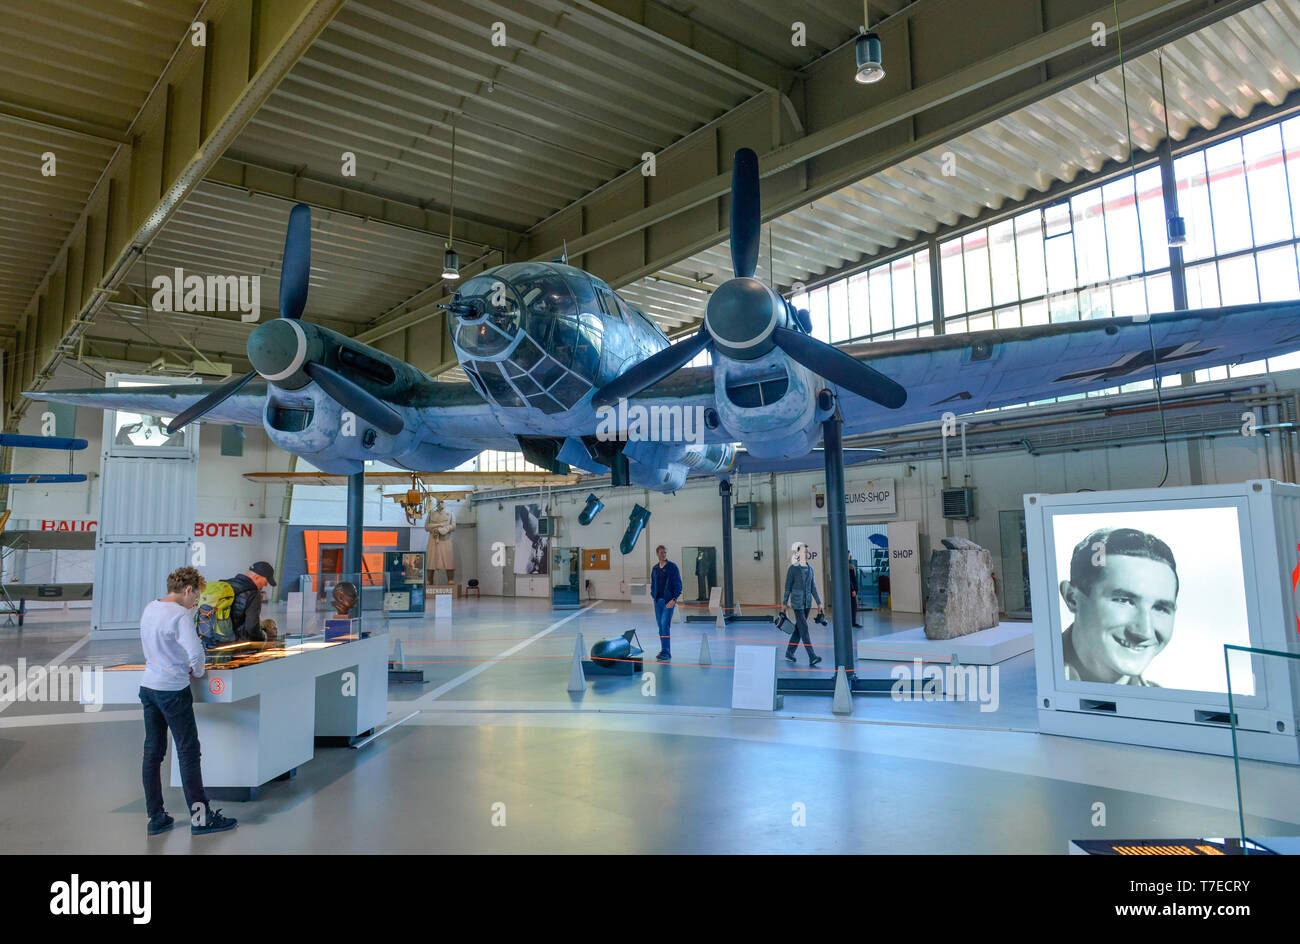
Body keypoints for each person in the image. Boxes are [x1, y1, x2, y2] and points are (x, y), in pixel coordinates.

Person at [139, 566, 237, 837]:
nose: (196, 603)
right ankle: (201, 819)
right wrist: (198, 671)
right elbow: (196, 653)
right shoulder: (180, 615)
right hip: (173, 690)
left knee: (153, 752)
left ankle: (156, 817)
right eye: (196, 596)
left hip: (148, 687)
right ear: (186, 590)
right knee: (188, 752)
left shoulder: (151, 607)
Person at [1058, 527, 1178, 686]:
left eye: (1161, 608)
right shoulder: (1032, 679)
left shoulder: (1162, 700)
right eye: (1124, 600)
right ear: (1072, 598)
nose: (1144, 632)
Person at [782, 543, 824, 666]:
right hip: (797, 603)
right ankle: (812, 657)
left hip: (807, 603)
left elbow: (813, 587)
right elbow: (787, 587)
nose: (806, 554)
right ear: (798, 553)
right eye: (804, 552)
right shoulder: (793, 568)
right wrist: (784, 603)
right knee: (804, 629)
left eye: (807, 552)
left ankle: (789, 653)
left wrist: (819, 602)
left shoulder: (810, 569)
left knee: (799, 629)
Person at [228, 561, 277, 642]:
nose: (265, 585)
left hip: (213, 638)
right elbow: (252, 627)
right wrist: (263, 637)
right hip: (237, 642)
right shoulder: (253, 593)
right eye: (265, 582)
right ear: (257, 577)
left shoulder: (228, 584)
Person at [650, 544, 682, 661]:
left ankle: (666, 652)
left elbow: (678, 584)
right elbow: (653, 583)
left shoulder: (672, 567)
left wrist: (674, 600)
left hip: (668, 602)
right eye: (661, 552)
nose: (663, 554)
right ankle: (663, 650)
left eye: (664, 552)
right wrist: (653, 596)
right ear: (657, 554)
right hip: (657, 601)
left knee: (665, 625)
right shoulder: (655, 568)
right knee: (660, 626)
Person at [849, 558, 862, 628]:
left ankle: (852, 622)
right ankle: (852, 622)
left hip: (853, 590)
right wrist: (853, 589)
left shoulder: (850, 566)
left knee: (853, 606)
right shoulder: (848, 567)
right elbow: (850, 580)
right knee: (853, 606)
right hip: (851, 591)